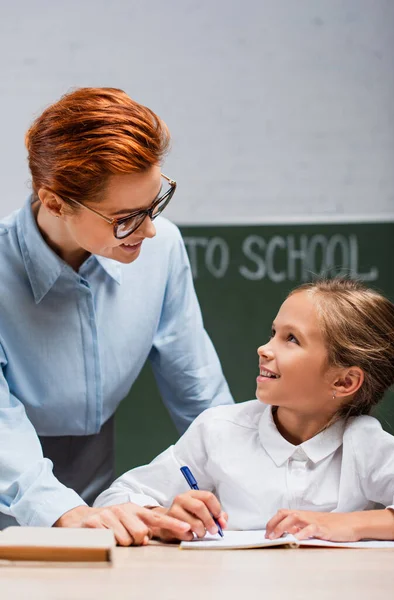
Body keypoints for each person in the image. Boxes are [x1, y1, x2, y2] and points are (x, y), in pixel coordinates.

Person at [0, 87, 233, 541]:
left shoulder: (161, 247)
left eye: (154, 205)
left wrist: (240, 477)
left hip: (98, 512)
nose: (147, 229)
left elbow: (198, 391)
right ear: (54, 202)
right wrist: (62, 510)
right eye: (125, 217)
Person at [95, 278, 394, 544]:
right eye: (273, 332)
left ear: (345, 381)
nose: (264, 348)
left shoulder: (365, 444)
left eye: (291, 339)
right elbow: (115, 498)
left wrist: (346, 524)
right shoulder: (219, 429)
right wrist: (161, 518)